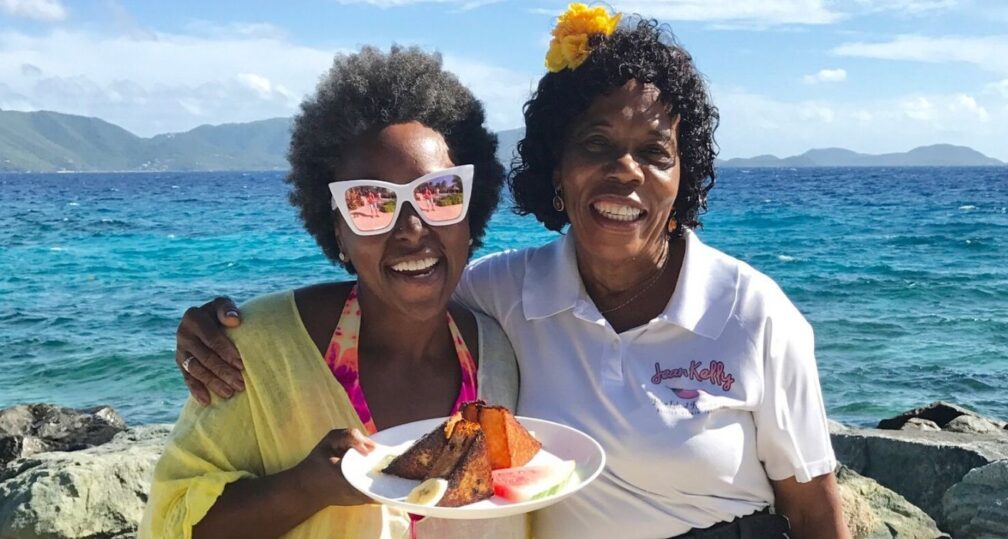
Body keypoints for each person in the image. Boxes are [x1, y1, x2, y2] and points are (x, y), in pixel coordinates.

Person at [172, 5, 849, 538]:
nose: (626, 172)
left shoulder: (754, 314)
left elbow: (816, 512)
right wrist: (228, 328)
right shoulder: (501, 297)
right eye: (597, 146)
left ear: (686, 177)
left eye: (656, 153)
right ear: (556, 170)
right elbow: (393, 287)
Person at [143, 46, 525, 539]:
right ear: (338, 230)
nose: (412, 227)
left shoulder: (497, 352)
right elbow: (172, 521)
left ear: (471, 215)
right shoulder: (256, 352)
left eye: (440, 193)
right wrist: (305, 488)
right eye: (370, 202)